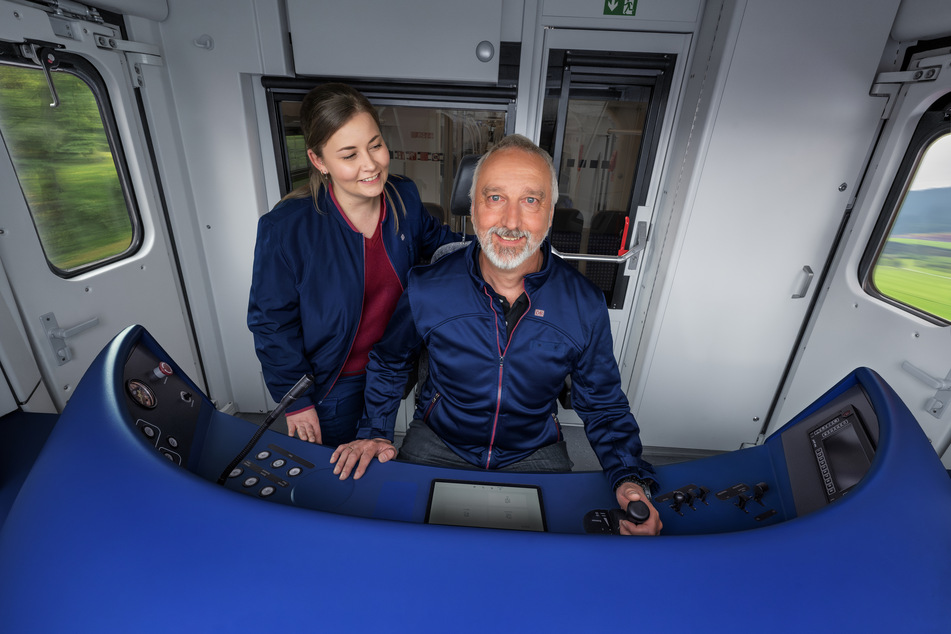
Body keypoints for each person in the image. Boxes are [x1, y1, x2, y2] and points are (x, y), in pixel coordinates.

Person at [331, 134, 662, 536]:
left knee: (551, 563)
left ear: (551, 213)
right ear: (472, 209)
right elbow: (388, 361)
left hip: (534, 451)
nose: (511, 222)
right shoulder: (427, 286)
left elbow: (605, 404)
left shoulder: (584, 304)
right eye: (494, 198)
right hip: (438, 442)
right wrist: (374, 432)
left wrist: (629, 476)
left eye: (530, 200)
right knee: (400, 545)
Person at [248, 83, 461, 447]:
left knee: (382, 455)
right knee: (340, 476)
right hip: (333, 381)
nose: (371, 164)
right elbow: (271, 322)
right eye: (349, 155)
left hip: (391, 368)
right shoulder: (286, 228)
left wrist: (505, 245)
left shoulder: (403, 195)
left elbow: (440, 243)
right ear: (319, 161)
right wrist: (295, 400)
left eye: (375, 145)